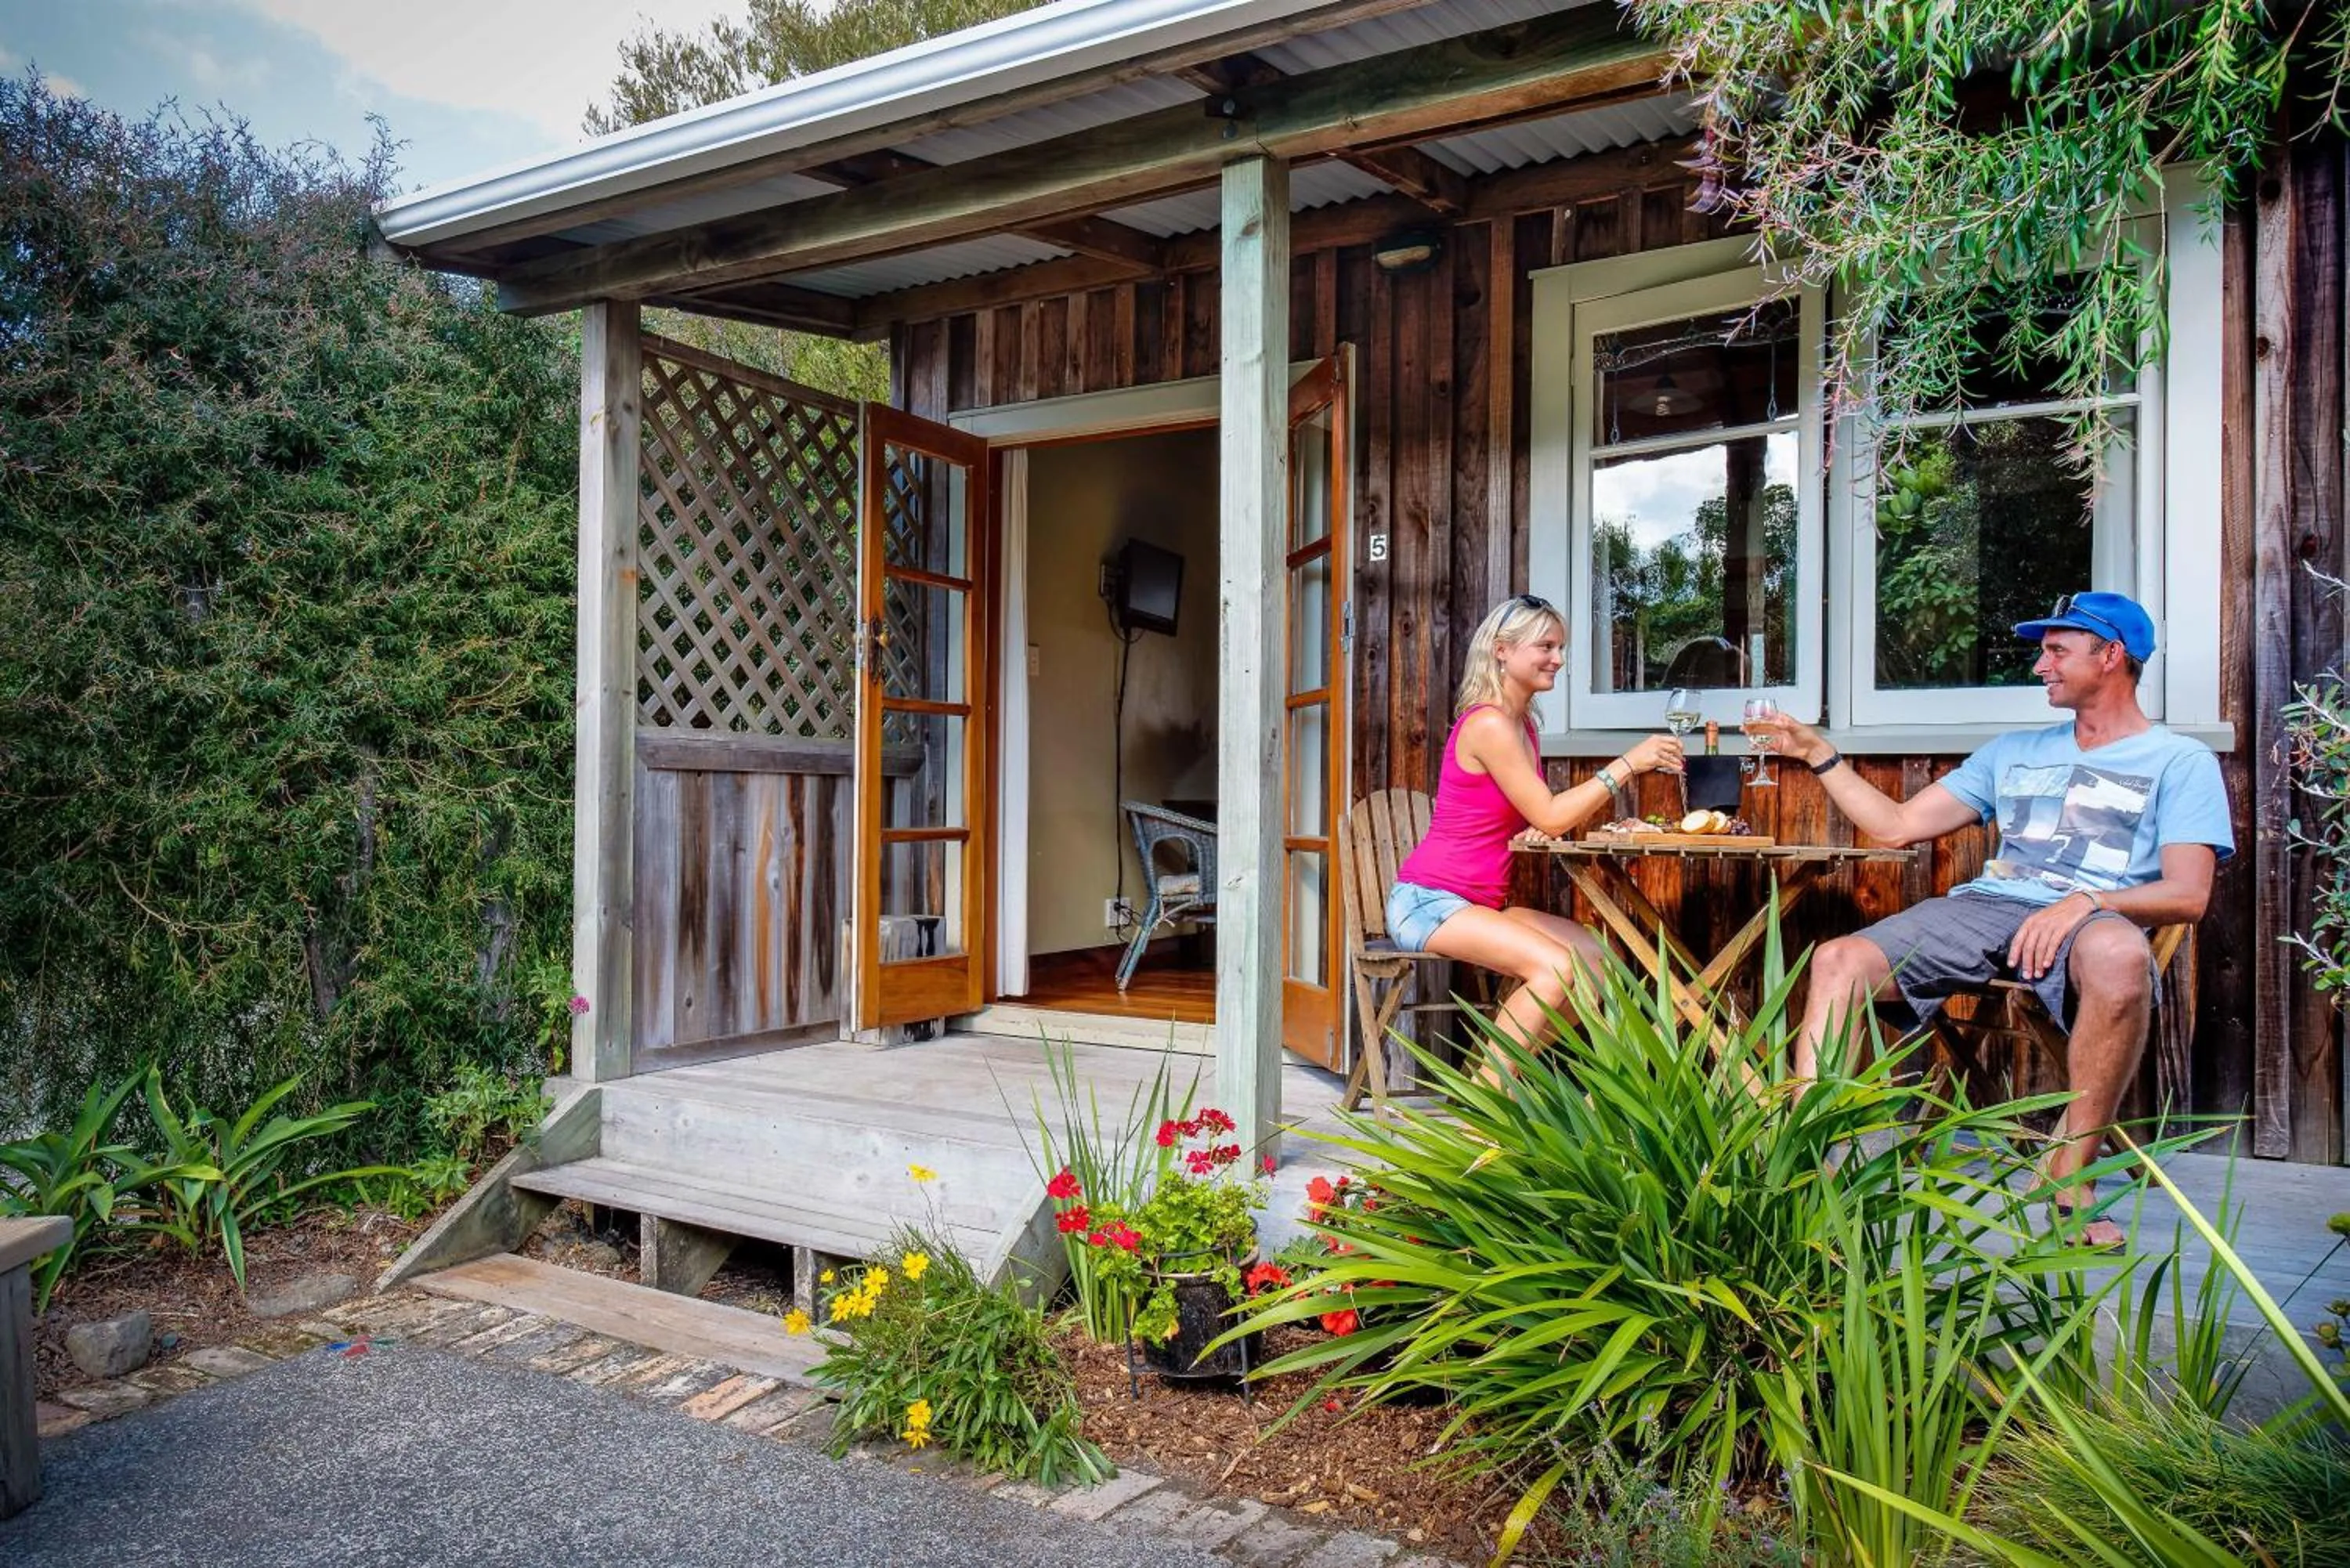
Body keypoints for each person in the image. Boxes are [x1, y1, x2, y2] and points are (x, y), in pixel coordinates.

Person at [1746, 591, 2232, 1245]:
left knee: (2120, 959)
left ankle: (2071, 1177)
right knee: (1839, 959)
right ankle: (1801, 1169)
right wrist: (1817, 754)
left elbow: (2187, 894)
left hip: (2094, 919)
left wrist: (2088, 902)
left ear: (2111, 655)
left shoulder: (2180, 762)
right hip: (1988, 908)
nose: (2041, 666)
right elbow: (1895, 827)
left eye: (2057, 651)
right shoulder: (2013, 751)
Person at [1386, 594, 1684, 1058]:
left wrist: (1540, 823)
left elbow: (1535, 811)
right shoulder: (1489, 724)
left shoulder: (1522, 723)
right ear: (1502, 650)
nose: (1558, 659)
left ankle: (1515, 1078)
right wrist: (1628, 763)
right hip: (1430, 902)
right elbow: (1549, 812)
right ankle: (1489, 1104)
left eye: (1561, 648)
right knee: (1557, 968)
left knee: (1598, 959)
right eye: (1546, 646)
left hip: (1479, 903)